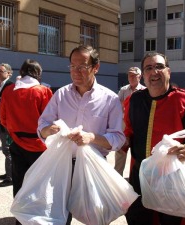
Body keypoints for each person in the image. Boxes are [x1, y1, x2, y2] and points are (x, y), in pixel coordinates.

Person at [124, 52, 185, 225]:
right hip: (140, 177)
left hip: (172, 182)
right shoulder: (134, 100)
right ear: (143, 75)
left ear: (169, 71)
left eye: (159, 66)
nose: (154, 72)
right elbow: (128, 132)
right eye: (149, 68)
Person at [37, 44, 126, 224]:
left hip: (93, 166)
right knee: (59, 215)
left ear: (96, 67)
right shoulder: (61, 94)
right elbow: (42, 125)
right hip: (62, 164)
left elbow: (118, 138)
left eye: (82, 67)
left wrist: (92, 137)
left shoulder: (110, 99)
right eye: (72, 66)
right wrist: (49, 130)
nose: (76, 72)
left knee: (96, 216)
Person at [0, 59, 53, 225]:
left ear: (21, 72)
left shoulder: (9, 91)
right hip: (40, 147)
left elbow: (3, 118)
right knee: (40, 185)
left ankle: (20, 218)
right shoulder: (43, 91)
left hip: (17, 143)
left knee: (19, 182)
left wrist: (15, 132)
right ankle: (38, 218)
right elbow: (50, 120)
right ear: (38, 73)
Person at [114, 67, 145, 176]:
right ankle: (117, 178)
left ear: (139, 77)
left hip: (138, 125)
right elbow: (117, 106)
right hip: (124, 124)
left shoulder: (144, 90)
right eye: (129, 75)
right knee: (120, 151)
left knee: (137, 151)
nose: (130, 77)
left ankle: (136, 179)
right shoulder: (123, 90)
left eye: (133, 75)